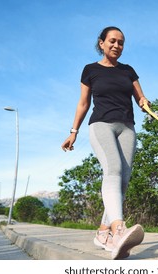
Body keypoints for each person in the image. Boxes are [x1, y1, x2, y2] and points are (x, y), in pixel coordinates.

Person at [61, 26, 150, 260]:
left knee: (123, 179)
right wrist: (73, 132)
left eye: (121, 42)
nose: (116, 46)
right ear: (101, 43)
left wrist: (144, 102)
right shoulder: (90, 70)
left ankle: (102, 233)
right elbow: (83, 103)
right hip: (101, 125)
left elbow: (139, 96)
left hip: (127, 127)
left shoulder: (128, 71)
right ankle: (118, 230)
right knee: (113, 169)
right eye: (112, 41)